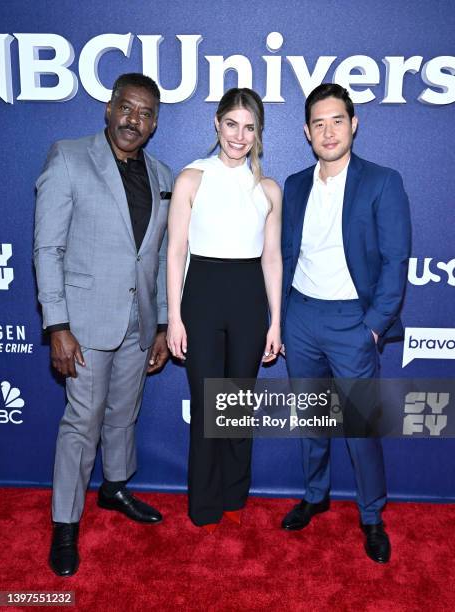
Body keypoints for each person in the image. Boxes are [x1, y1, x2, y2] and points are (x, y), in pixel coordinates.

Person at [34, 73, 172, 576]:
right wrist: (58, 325)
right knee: (82, 422)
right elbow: (48, 249)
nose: (134, 120)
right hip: (85, 323)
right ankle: (65, 524)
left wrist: (159, 325)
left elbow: (155, 259)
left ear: (156, 123)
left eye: (146, 113)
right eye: (127, 109)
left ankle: (114, 489)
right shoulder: (68, 157)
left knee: (122, 413)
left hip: (137, 324)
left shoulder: (162, 176)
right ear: (109, 109)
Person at [280, 83, 411, 563]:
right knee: (312, 419)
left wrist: (373, 327)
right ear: (307, 132)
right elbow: (283, 256)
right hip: (302, 316)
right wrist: (283, 318)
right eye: (318, 123)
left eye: (337, 120)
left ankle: (372, 516)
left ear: (353, 124)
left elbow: (396, 262)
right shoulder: (294, 185)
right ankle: (316, 496)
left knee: (360, 426)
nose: (328, 131)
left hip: (353, 321)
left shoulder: (382, 181)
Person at [167, 88, 282, 530]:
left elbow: (272, 258)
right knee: (207, 403)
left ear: (258, 133)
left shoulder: (268, 189)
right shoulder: (191, 178)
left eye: (249, 127)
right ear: (216, 124)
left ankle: (236, 493)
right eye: (231, 124)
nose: (239, 135)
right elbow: (176, 252)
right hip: (202, 298)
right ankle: (204, 501)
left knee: (237, 404)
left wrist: (276, 322)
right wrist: (175, 316)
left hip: (250, 298)